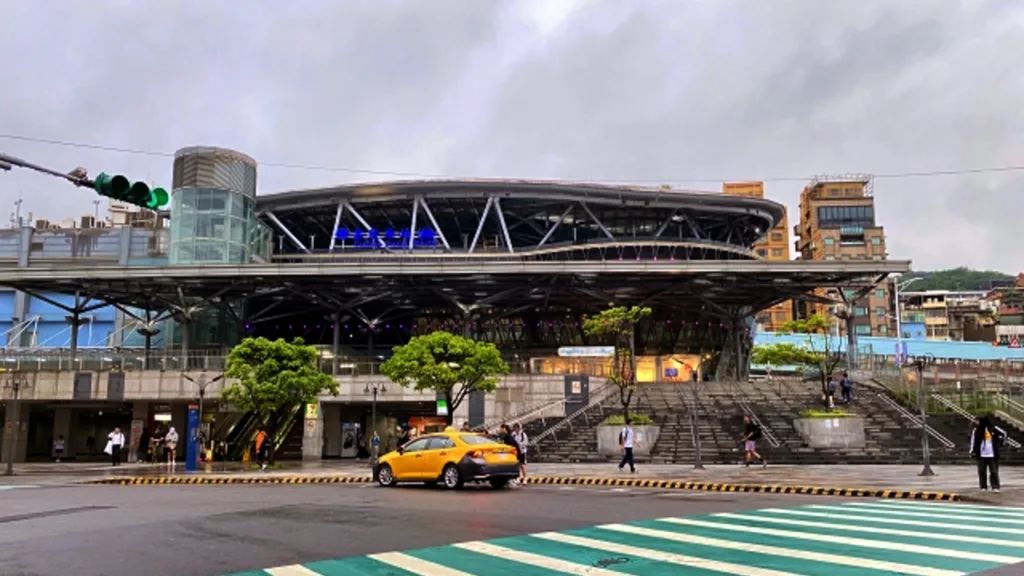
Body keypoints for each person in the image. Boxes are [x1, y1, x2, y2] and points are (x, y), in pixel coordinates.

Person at [970, 415, 1006, 492]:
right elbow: (973, 441)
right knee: (982, 471)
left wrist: (1001, 443)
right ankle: (983, 487)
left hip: (992, 454)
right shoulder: (976, 431)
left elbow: (1004, 434)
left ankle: (995, 487)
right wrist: (972, 451)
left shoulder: (993, 429)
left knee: (994, 471)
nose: (977, 423)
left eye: (979, 421)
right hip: (981, 454)